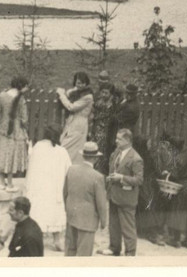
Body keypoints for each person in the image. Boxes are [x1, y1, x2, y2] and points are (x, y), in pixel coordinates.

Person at [24, 124, 72, 252]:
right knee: (55, 213)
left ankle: (37, 240)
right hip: (54, 189)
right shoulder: (62, 152)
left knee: (39, 212)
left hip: (39, 189)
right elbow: (69, 170)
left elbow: (30, 164)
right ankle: (57, 240)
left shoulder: (37, 148)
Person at [101, 128, 144, 257]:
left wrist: (121, 178)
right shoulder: (116, 153)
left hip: (127, 198)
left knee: (128, 227)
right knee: (113, 224)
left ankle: (130, 252)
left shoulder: (136, 158)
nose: (116, 141)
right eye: (116, 138)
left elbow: (139, 180)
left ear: (127, 140)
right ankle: (114, 248)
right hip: (113, 194)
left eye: (119, 139)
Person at [63, 141, 108, 256]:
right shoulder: (97, 177)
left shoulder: (71, 170)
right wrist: (103, 222)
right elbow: (101, 204)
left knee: (70, 250)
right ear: (96, 158)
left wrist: (68, 209)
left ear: (83, 155)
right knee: (84, 255)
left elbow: (65, 193)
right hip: (87, 220)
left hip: (71, 215)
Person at [0, 75, 30, 190]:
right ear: (22, 87)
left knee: (2, 154)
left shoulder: (2, 95)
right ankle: (10, 184)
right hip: (16, 132)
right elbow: (24, 119)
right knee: (12, 156)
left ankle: (1, 182)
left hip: (3, 129)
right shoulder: (21, 99)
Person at [57, 72, 94, 163]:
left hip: (79, 123)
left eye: (83, 83)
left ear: (86, 83)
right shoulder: (78, 92)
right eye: (78, 83)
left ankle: (71, 168)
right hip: (72, 122)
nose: (80, 85)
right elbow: (70, 92)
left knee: (70, 147)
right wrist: (71, 90)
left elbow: (72, 107)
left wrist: (62, 95)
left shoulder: (88, 96)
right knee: (66, 145)